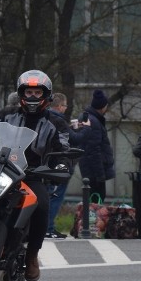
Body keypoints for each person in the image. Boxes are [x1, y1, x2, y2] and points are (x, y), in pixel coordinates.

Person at [0, 70, 71, 281]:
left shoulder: (56, 122)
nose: (32, 97)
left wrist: (61, 163)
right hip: (2, 167)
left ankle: (32, 255)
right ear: (20, 93)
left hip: (33, 174)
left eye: (37, 93)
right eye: (28, 92)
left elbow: (64, 146)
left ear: (47, 95)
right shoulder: (7, 113)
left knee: (42, 205)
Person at [46, 92, 81, 239]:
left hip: (45, 163)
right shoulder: (59, 120)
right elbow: (72, 140)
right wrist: (81, 129)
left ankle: (43, 227)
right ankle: (48, 227)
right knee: (55, 196)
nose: (66, 109)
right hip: (59, 164)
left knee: (46, 195)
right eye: (65, 105)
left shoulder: (43, 118)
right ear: (60, 106)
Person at [71, 89, 115, 203]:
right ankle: (92, 221)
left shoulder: (87, 118)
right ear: (102, 106)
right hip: (94, 172)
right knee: (97, 202)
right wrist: (100, 175)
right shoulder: (94, 121)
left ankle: (90, 220)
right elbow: (94, 149)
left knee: (91, 202)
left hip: (88, 168)